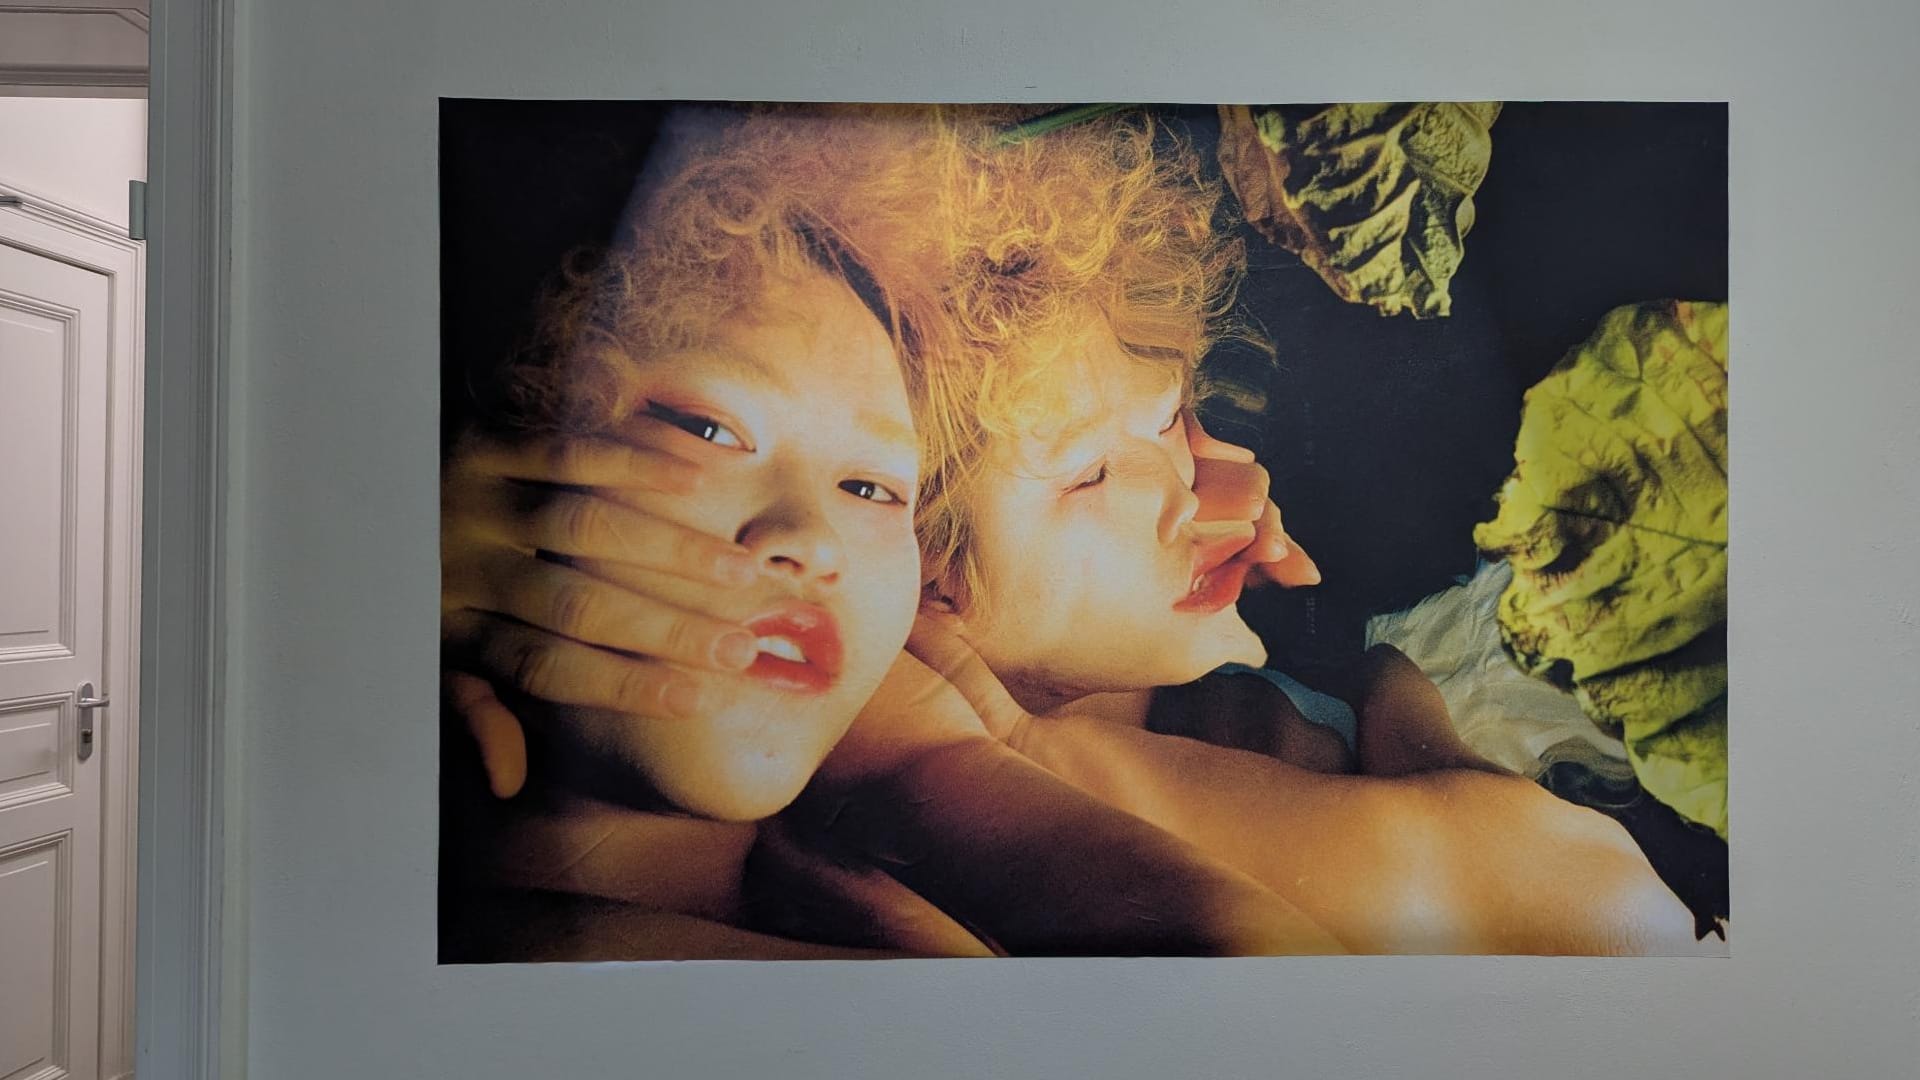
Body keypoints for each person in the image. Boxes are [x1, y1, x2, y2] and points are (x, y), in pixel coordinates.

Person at [450, 104, 1694, 955]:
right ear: (928, 600)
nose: (1218, 483)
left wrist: (1375, 679)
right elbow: (1596, 915)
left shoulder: (1314, 694)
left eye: (1180, 411)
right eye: (1091, 471)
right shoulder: (881, 847)